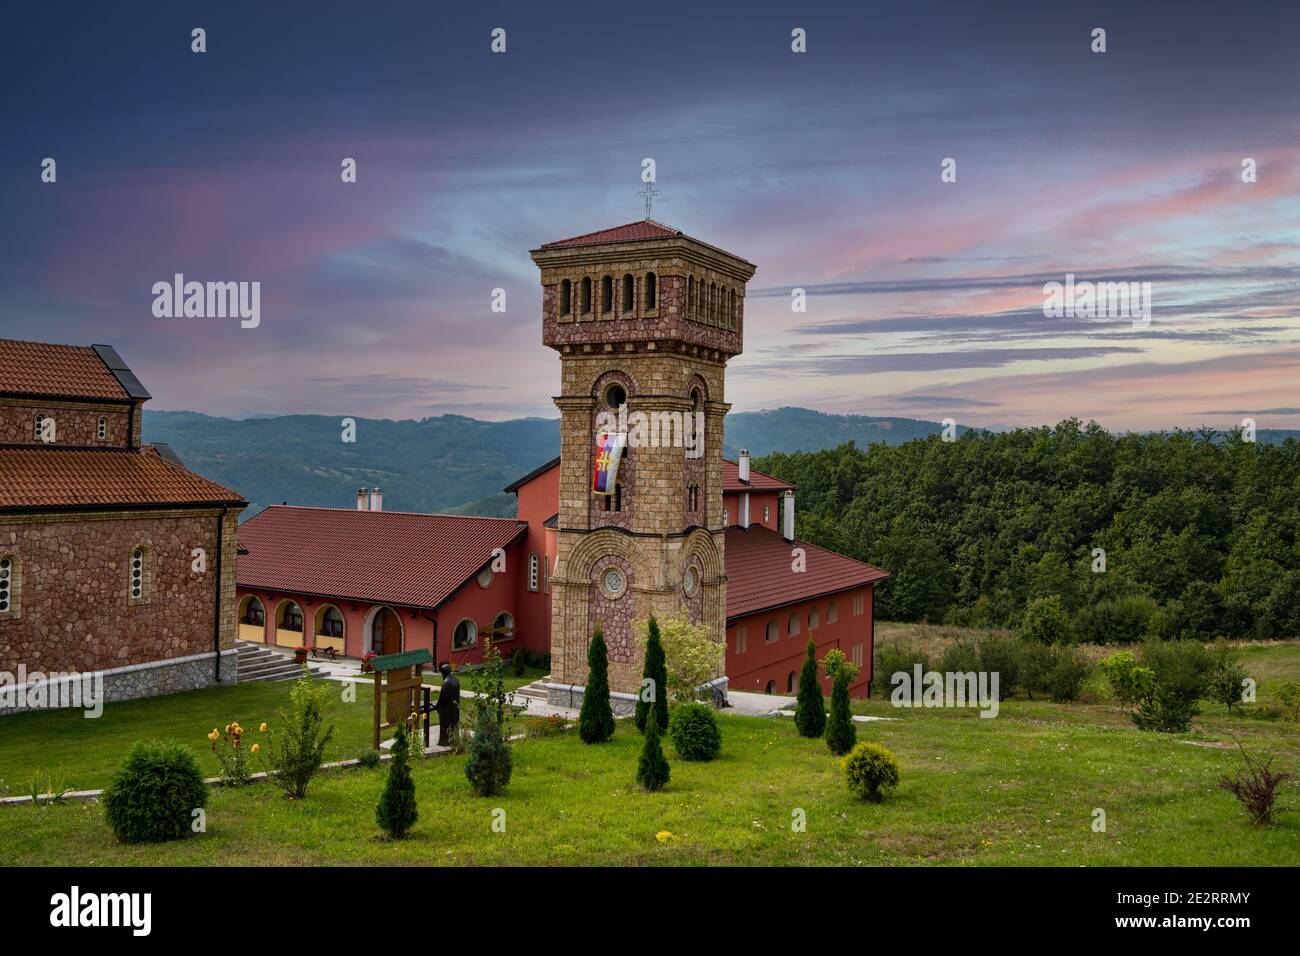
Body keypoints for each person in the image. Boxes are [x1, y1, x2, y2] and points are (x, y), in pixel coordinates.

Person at [434, 663, 461, 746]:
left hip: (446, 709)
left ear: (443, 673)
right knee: (454, 724)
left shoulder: (446, 682)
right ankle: (454, 739)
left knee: (445, 725)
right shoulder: (456, 680)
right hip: (455, 708)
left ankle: (444, 741)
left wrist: (437, 706)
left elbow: (443, 698)